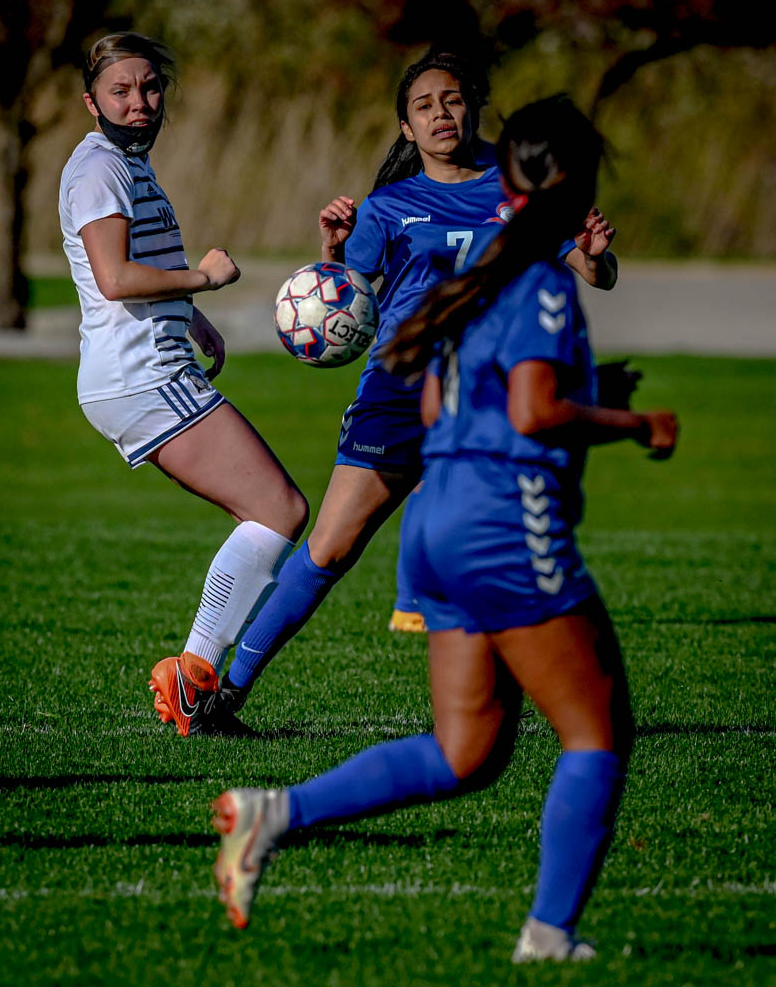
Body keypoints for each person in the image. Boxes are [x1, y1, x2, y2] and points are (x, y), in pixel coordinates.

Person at [210, 94, 679, 959]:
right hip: (504, 524)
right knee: (597, 732)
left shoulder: (475, 278)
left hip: (443, 525)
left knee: (468, 753)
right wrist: (631, 423)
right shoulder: (536, 279)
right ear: (572, 181)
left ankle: (272, 813)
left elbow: (439, 397)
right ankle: (550, 935)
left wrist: (572, 400)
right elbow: (534, 410)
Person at [217, 51, 619, 714]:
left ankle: (521, 701)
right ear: (406, 128)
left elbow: (591, 270)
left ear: (475, 108)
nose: (440, 114)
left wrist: (597, 258)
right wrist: (331, 251)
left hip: (486, 398)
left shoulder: (523, 190)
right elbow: (343, 302)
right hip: (399, 390)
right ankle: (226, 694)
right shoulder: (385, 207)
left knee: (492, 550)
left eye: (453, 100)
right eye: (424, 106)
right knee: (331, 547)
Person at [58, 33, 308, 736]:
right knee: (278, 508)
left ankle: (196, 684)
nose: (139, 103)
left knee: (271, 511)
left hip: (150, 365)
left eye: (150, 88)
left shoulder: (128, 164)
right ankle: (193, 678)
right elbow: (114, 278)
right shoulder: (99, 169)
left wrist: (191, 317)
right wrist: (204, 278)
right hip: (139, 375)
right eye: (120, 91)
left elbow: (131, 272)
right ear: (92, 101)